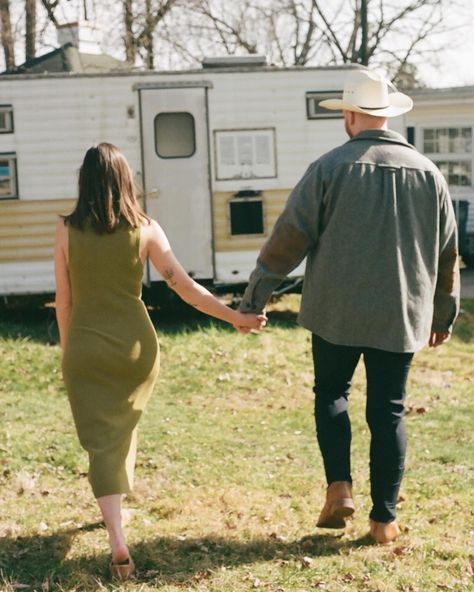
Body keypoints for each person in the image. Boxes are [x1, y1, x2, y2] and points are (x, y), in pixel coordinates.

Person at [239, 69, 460, 544]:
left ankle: (339, 487)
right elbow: (447, 254)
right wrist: (443, 315)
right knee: (389, 411)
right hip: (400, 313)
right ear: (387, 115)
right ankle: (384, 519)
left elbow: (287, 240)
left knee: (332, 393)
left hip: (335, 310)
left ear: (351, 116)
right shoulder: (430, 174)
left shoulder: (329, 168)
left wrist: (255, 297)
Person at [54, 143, 266, 579]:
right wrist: (234, 317)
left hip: (85, 347)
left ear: (85, 180)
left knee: (100, 439)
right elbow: (185, 287)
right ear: (125, 180)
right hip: (135, 348)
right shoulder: (147, 229)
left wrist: (67, 351)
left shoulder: (64, 231)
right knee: (122, 427)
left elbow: (64, 302)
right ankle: (116, 514)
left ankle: (115, 536)